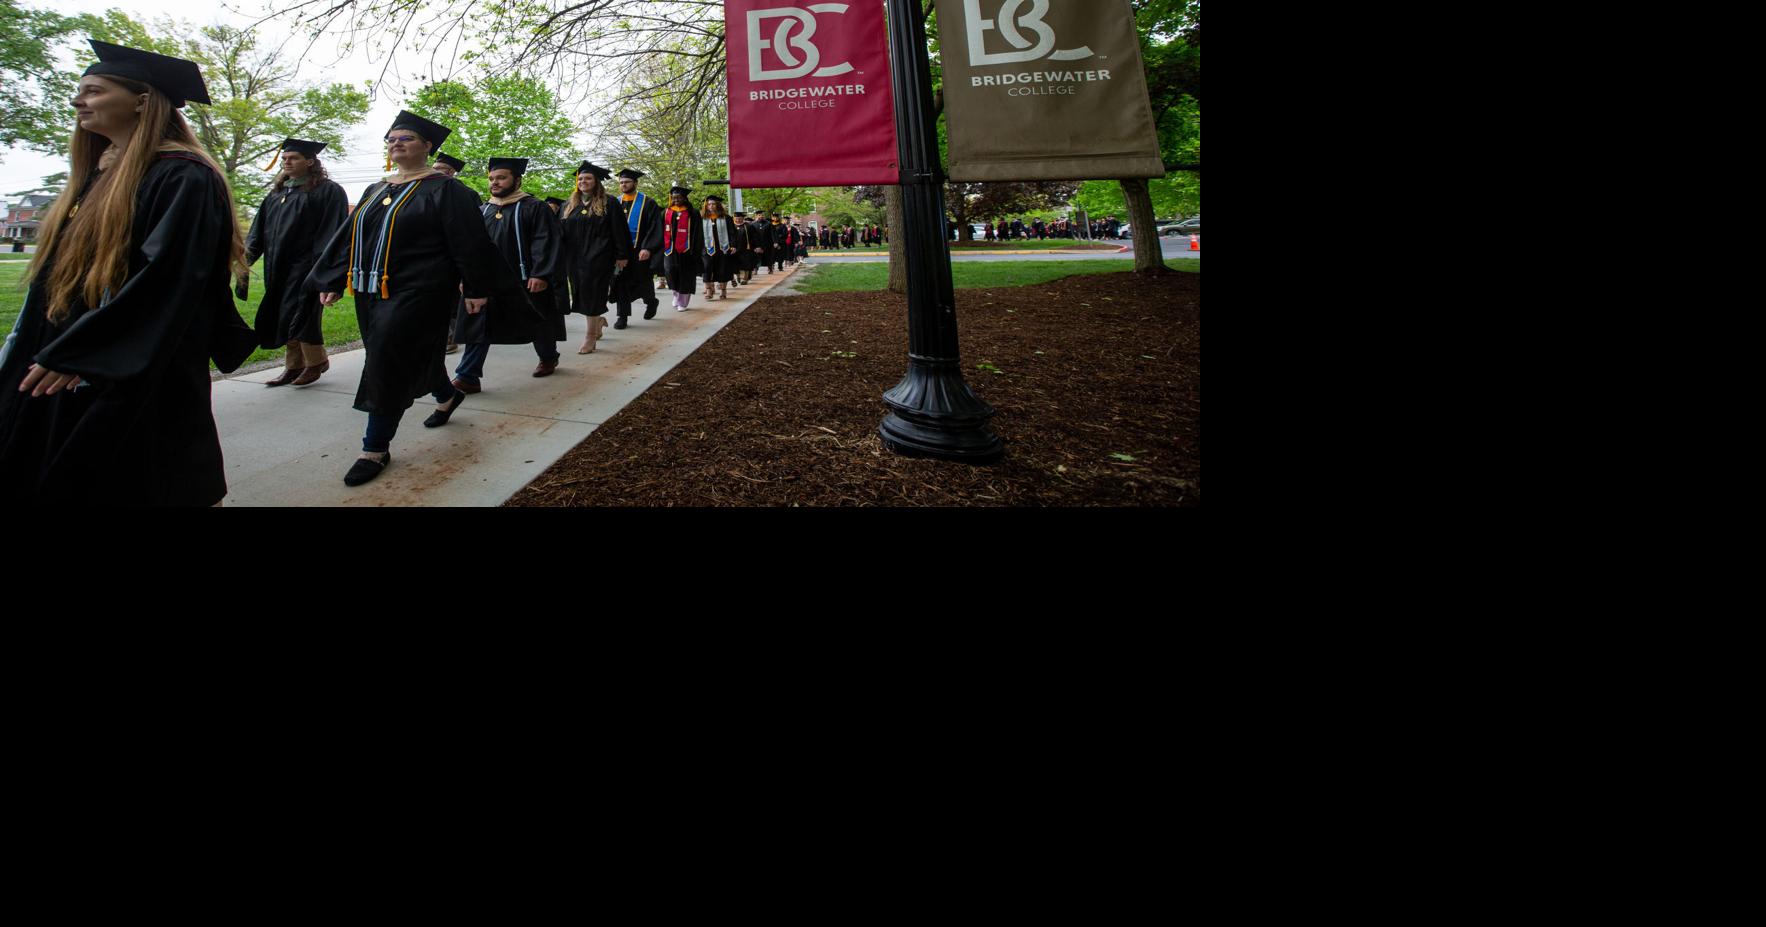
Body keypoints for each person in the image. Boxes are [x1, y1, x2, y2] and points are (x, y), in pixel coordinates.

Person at [0, 40, 257, 506]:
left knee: (139, 476)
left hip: (130, 362)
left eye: (94, 90)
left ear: (142, 101)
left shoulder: (183, 176)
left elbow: (170, 278)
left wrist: (85, 350)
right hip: (64, 355)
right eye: (80, 91)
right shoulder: (98, 176)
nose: (78, 101)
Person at [307, 110, 510, 487]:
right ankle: (447, 395)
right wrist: (334, 277)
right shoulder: (375, 189)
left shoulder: (448, 190)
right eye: (391, 139)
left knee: (385, 360)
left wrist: (476, 288)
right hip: (371, 290)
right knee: (400, 354)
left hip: (422, 290)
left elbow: (469, 243)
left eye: (406, 138)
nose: (396, 143)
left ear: (428, 146)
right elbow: (352, 236)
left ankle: (374, 448)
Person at [451, 156, 562, 392]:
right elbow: (472, 248)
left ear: (517, 180)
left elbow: (545, 241)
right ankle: (468, 376)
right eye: (491, 178)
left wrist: (540, 274)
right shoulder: (483, 210)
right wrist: (468, 279)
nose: (495, 183)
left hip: (525, 278)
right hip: (489, 281)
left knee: (538, 320)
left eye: (501, 178)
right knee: (480, 325)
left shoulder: (535, 207)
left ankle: (548, 356)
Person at [243, 137, 347, 388]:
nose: (286, 162)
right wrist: (244, 260)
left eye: (293, 158)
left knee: (298, 313)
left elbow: (333, 233)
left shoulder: (327, 190)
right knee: (283, 314)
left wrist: (326, 271)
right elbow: (258, 231)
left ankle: (314, 362)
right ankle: (295, 365)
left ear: (310, 161)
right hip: (277, 266)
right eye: (284, 159)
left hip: (307, 266)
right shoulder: (278, 192)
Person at [560, 161, 629, 353]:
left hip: (600, 257)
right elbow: (560, 231)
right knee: (581, 293)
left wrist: (622, 255)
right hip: (574, 259)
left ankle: (590, 336)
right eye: (580, 178)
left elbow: (619, 230)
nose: (583, 181)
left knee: (593, 293)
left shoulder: (609, 202)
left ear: (596, 181)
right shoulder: (568, 204)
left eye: (588, 178)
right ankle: (597, 321)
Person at [611, 168, 663, 329]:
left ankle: (651, 301)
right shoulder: (615, 203)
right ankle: (622, 317)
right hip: (621, 251)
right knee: (621, 283)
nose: (623, 185)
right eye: (621, 182)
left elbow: (655, 227)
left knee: (644, 281)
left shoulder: (648, 203)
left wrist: (647, 247)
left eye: (626, 182)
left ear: (635, 183)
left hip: (640, 250)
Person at [659, 184, 703, 312]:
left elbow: (698, 232)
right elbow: (660, 230)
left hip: (687, 250)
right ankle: (675, 294)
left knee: (685, 275)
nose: (676, 200)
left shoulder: (692, 213)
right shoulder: (666, 212)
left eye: (679, 197)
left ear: (684, 198)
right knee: (670, 271)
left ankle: (683, 302)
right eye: (674, 197)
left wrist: (695, 249)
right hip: (669, 249)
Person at [701, 193, 738, 300]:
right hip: (707, 248)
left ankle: (723, 290)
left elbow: (732, 233)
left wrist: (733, 245)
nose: (711, 206)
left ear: (718, 205)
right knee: (707, 268)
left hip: (723, 248)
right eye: (709, 204)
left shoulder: (726, 218)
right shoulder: (702, 218)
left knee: (723, 269)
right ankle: (709, 290)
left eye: (713, 204)